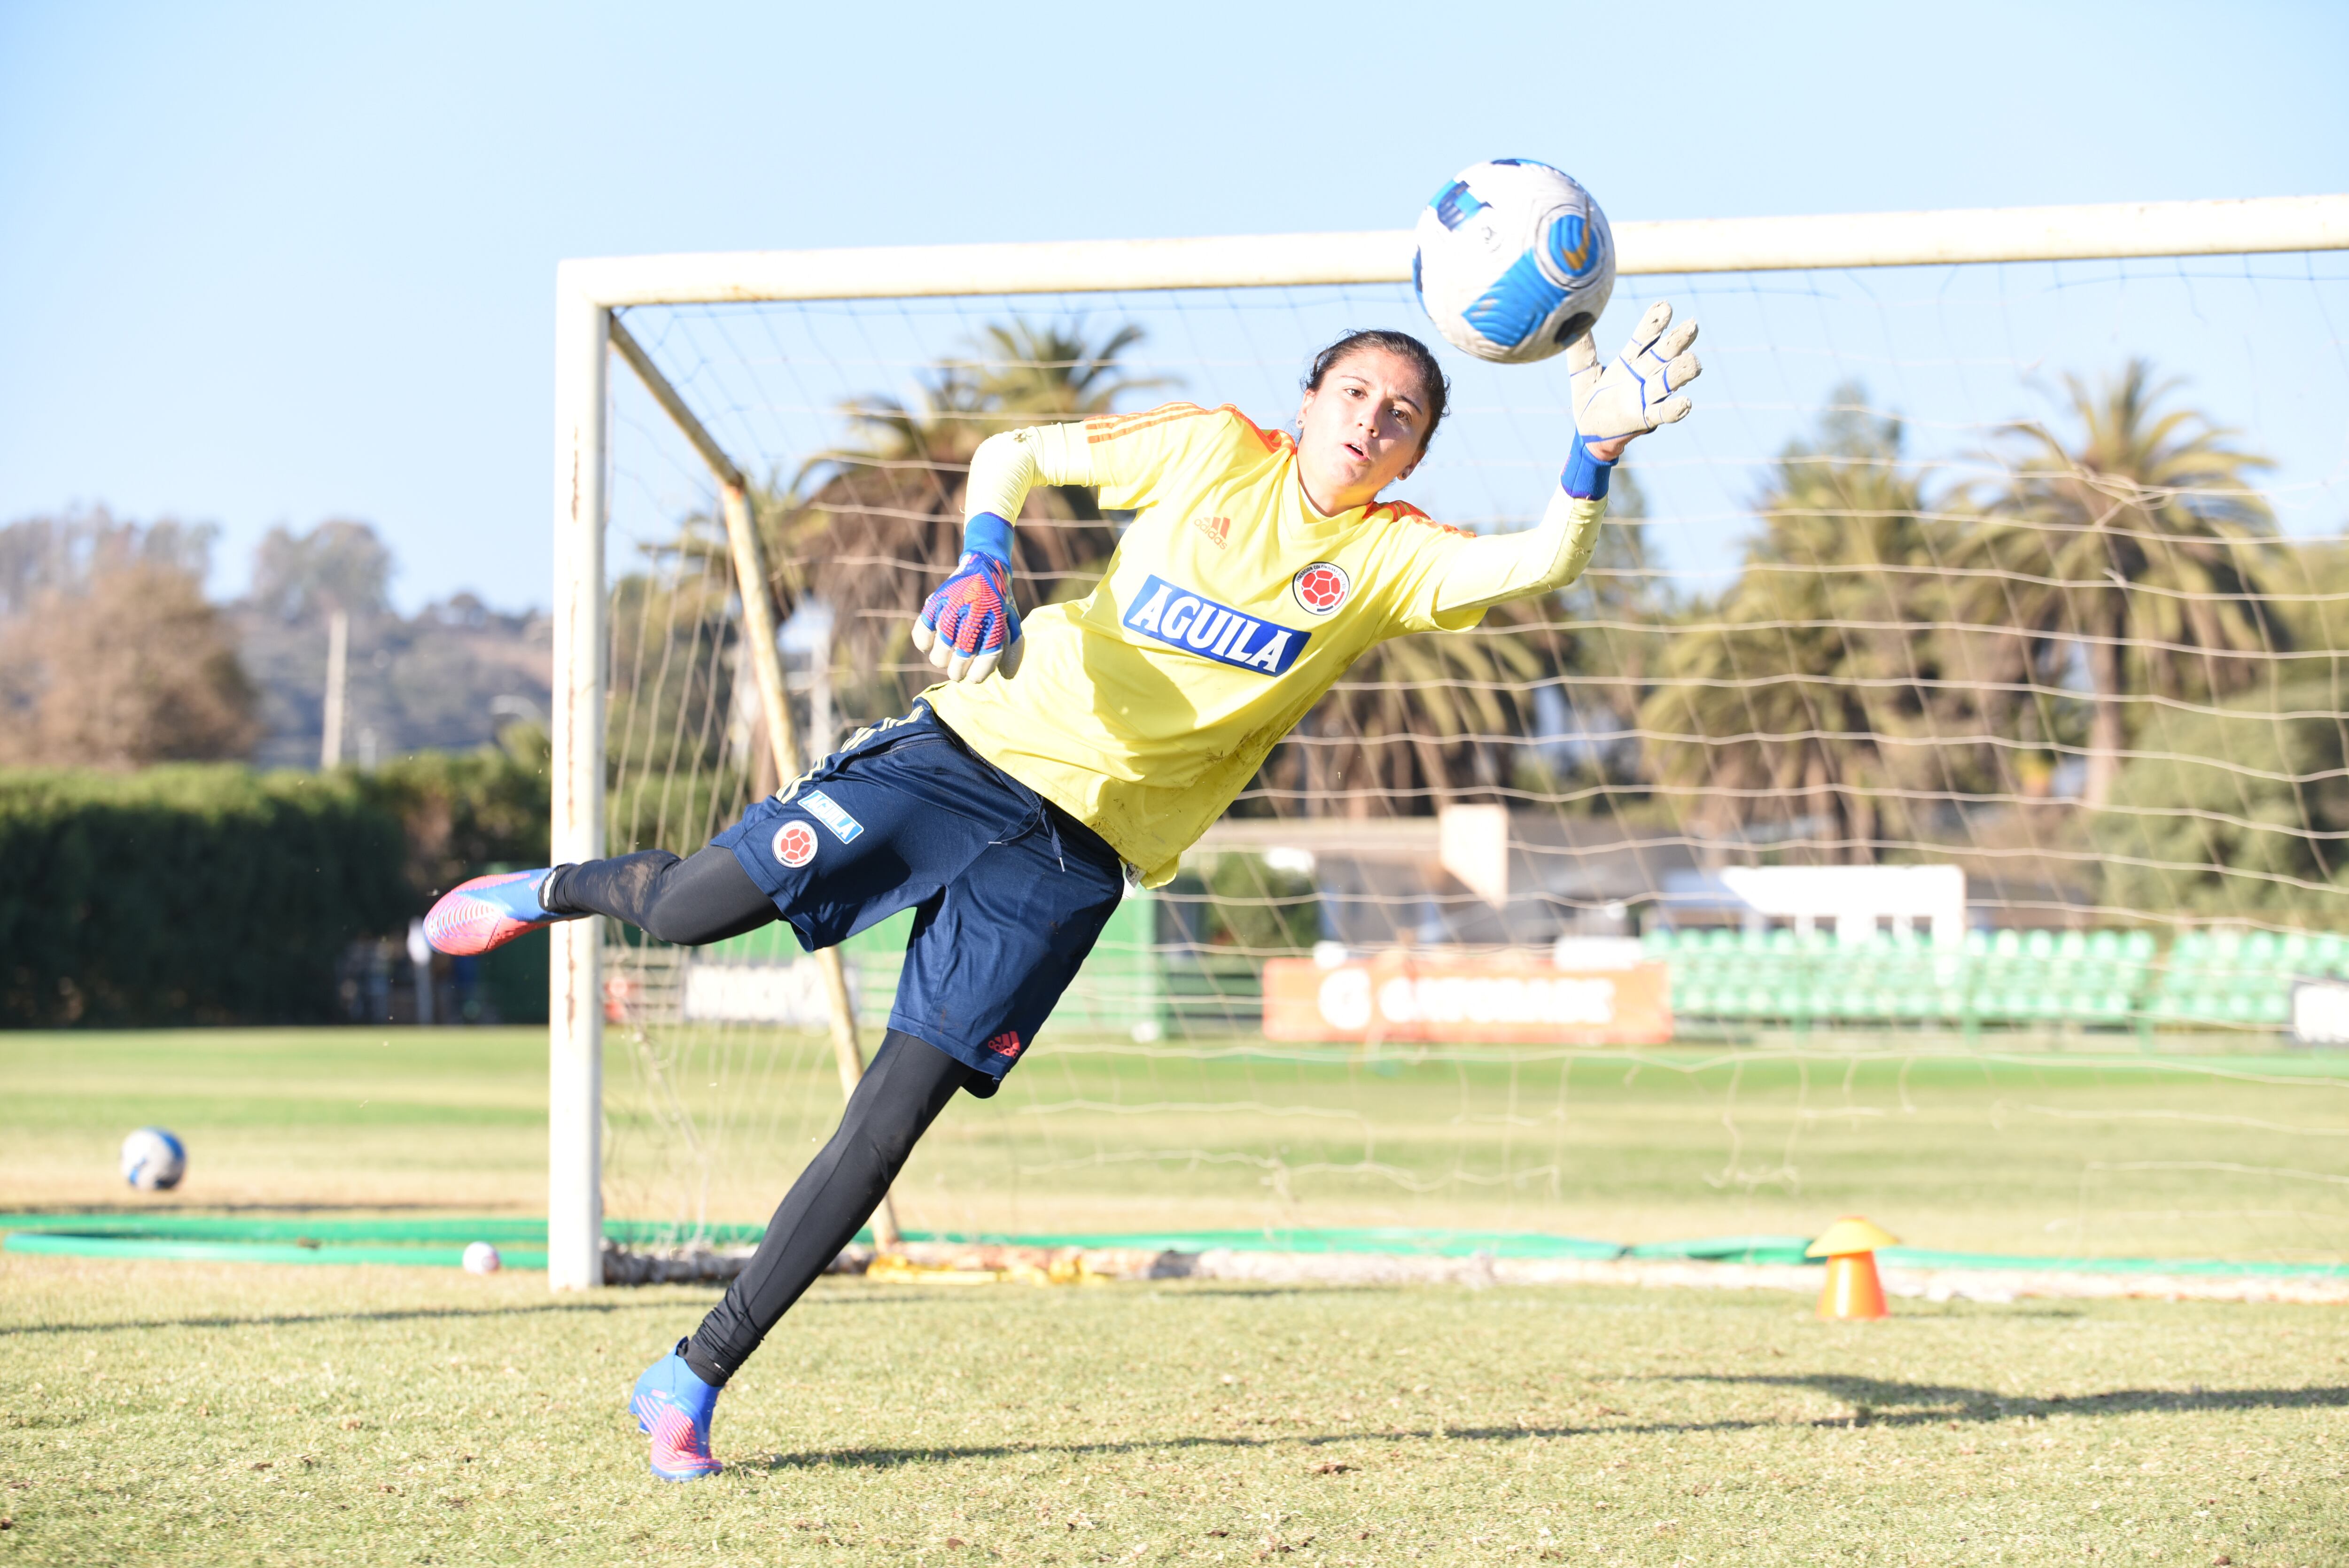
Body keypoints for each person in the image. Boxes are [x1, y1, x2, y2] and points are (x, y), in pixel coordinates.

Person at [423, 303, 1701, 1481]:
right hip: (965, 755)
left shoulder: (1387, 561)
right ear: (1307, 399)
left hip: (1072, 862)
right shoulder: (1208, 451)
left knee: (888, 1122)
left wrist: (1591, 453)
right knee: (698, 908)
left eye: (1402, 415)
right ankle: (554, 887)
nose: (1372, 420)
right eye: (1356, 391)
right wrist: (985, 557)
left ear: (1411, 457)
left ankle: (693, 1373)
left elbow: (1539, 562)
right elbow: (1016, 451)